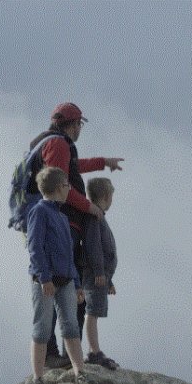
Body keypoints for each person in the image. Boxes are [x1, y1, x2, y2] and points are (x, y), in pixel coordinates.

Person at [27, 102, 124, 366]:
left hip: (63, 224)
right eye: (79, 123)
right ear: (73, 124)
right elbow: (61, 184)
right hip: (64, 226)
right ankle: (55, 355)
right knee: (65, 287)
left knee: (69, 289)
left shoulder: (54, 143)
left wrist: (103, 162)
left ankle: (64, 354)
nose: (80, 128)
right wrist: (89, 206)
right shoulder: (58, 145)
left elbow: (73, 167)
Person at [25, 166, 88, 384]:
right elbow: (35, 247)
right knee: (42, 327)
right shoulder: (39, 211)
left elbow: (69, 253)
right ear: (60, 187)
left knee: (70, 326)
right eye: (67, 185)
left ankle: (80, 371)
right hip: (46, 281)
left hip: (66, 280)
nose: (69, 189)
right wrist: (44, 278)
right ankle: (38, 377)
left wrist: (77, 284)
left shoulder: (61, 216)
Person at [82, 177, 120, 370]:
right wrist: (98, 271)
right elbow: (94, 245)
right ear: (105, 196)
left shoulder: (100, 217)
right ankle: (93, 351)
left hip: (102, 276)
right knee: (92, 312)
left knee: (94, 312)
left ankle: (93, 349)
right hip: (95, 274)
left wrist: (109, 280)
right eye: (111, 196)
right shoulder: (94, 217)